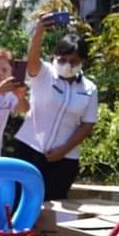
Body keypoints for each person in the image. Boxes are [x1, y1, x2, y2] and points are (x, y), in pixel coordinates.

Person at [12, 20, 98, 200]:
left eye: (73, 61)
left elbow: (87, 124)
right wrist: (38, 32)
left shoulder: (89, 88)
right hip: (30, 149)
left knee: (52, 211)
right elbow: (32, 61)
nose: (67, 64)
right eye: (62, 59)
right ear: (55, 56)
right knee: (20, 203)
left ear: (82, 61)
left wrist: (63, 150)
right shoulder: (45, 73)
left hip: (65, 159)